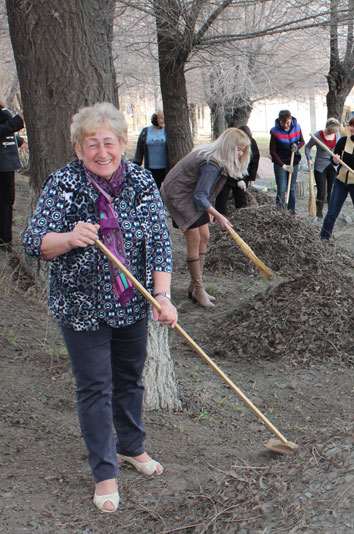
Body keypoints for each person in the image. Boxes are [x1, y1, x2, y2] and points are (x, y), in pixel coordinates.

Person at [22, 102, 177, 513]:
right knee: (95, 387)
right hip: (80, 307)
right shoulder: (63, 184)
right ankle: (105, 472)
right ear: (78, 149)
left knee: (129, 379)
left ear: (123, 144)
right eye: (92, 144)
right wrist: (69, 238)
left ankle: (131, 447)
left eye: (109, 142)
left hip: (132, 303)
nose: (102, 151)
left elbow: (161, 244)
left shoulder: (142, 182)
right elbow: (33, 242)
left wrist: (162, 296)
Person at [160, 127, 250, 309]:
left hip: (193, 194)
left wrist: (209, 209)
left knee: (205, 236)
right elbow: (199, 196)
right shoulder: (212, 163)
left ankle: (194, 286)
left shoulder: (219, 161)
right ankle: (199, 289)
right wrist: (218, 215)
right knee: (194, 238)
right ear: (227, 146)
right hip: (179, 195)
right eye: (237, 149)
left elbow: (205, 191)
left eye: (242, 150)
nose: (240, 154)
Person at [319, 116, 354, 253]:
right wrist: (335, 161)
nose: (351, 128)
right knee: (332, 212)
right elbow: (333, 159)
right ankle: (323, 239)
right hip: (340, 182)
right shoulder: (343, 141)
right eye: (350, 125)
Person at [214, 125, 259, 217]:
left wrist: (251, 178)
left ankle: (242, 217)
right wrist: (237, 179)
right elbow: (228, 164)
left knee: (241, 196)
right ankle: (221, 218)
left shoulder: (251, 143)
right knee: (222, 197)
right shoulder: (229, 146)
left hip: (242, 174)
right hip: (226, 174)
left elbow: (254, 160)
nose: (241, 151)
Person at [0, 101, 26, 252]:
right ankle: (4, 239)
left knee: (7, 201)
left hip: (6, 163)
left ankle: (4, 237)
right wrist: (19, 120)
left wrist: (19, 140)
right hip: (2, 164)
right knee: (4, 202)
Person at [269, 109, 305, 215]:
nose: (285, 125)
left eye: (287, 122)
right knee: (282, 188)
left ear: (291, 119)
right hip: (280, 162)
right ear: (279, 121)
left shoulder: (297, 127)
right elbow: (272, 151)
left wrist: (297, 147)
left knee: (292, 187)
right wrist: (283, 165)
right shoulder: (275, 131)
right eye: (283, 123)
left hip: (293, 161)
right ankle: (281, 212)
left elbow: (302, 141)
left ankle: (291, 211)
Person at [304, 118, 340, 221]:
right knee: (321, 192)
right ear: (327, 127)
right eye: (330, 131)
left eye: (333, 131)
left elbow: (340, 149)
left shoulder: (337, 135)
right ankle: (318, 214)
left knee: (331, 191)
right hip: (320, 167)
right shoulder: (317, 135)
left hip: (333, 166)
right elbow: (307, 147)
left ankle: (331, 213)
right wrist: (309, 159)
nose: (331, 133)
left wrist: (338, 157)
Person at [132, 110, 169, 188]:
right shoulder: (146, 131)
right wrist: (136, 165)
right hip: (150, 169)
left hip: (166, 169)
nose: (162, 121)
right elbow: (139, 150)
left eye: (164, 119)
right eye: (161, 119)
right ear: (155, 118)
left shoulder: (167, 131)